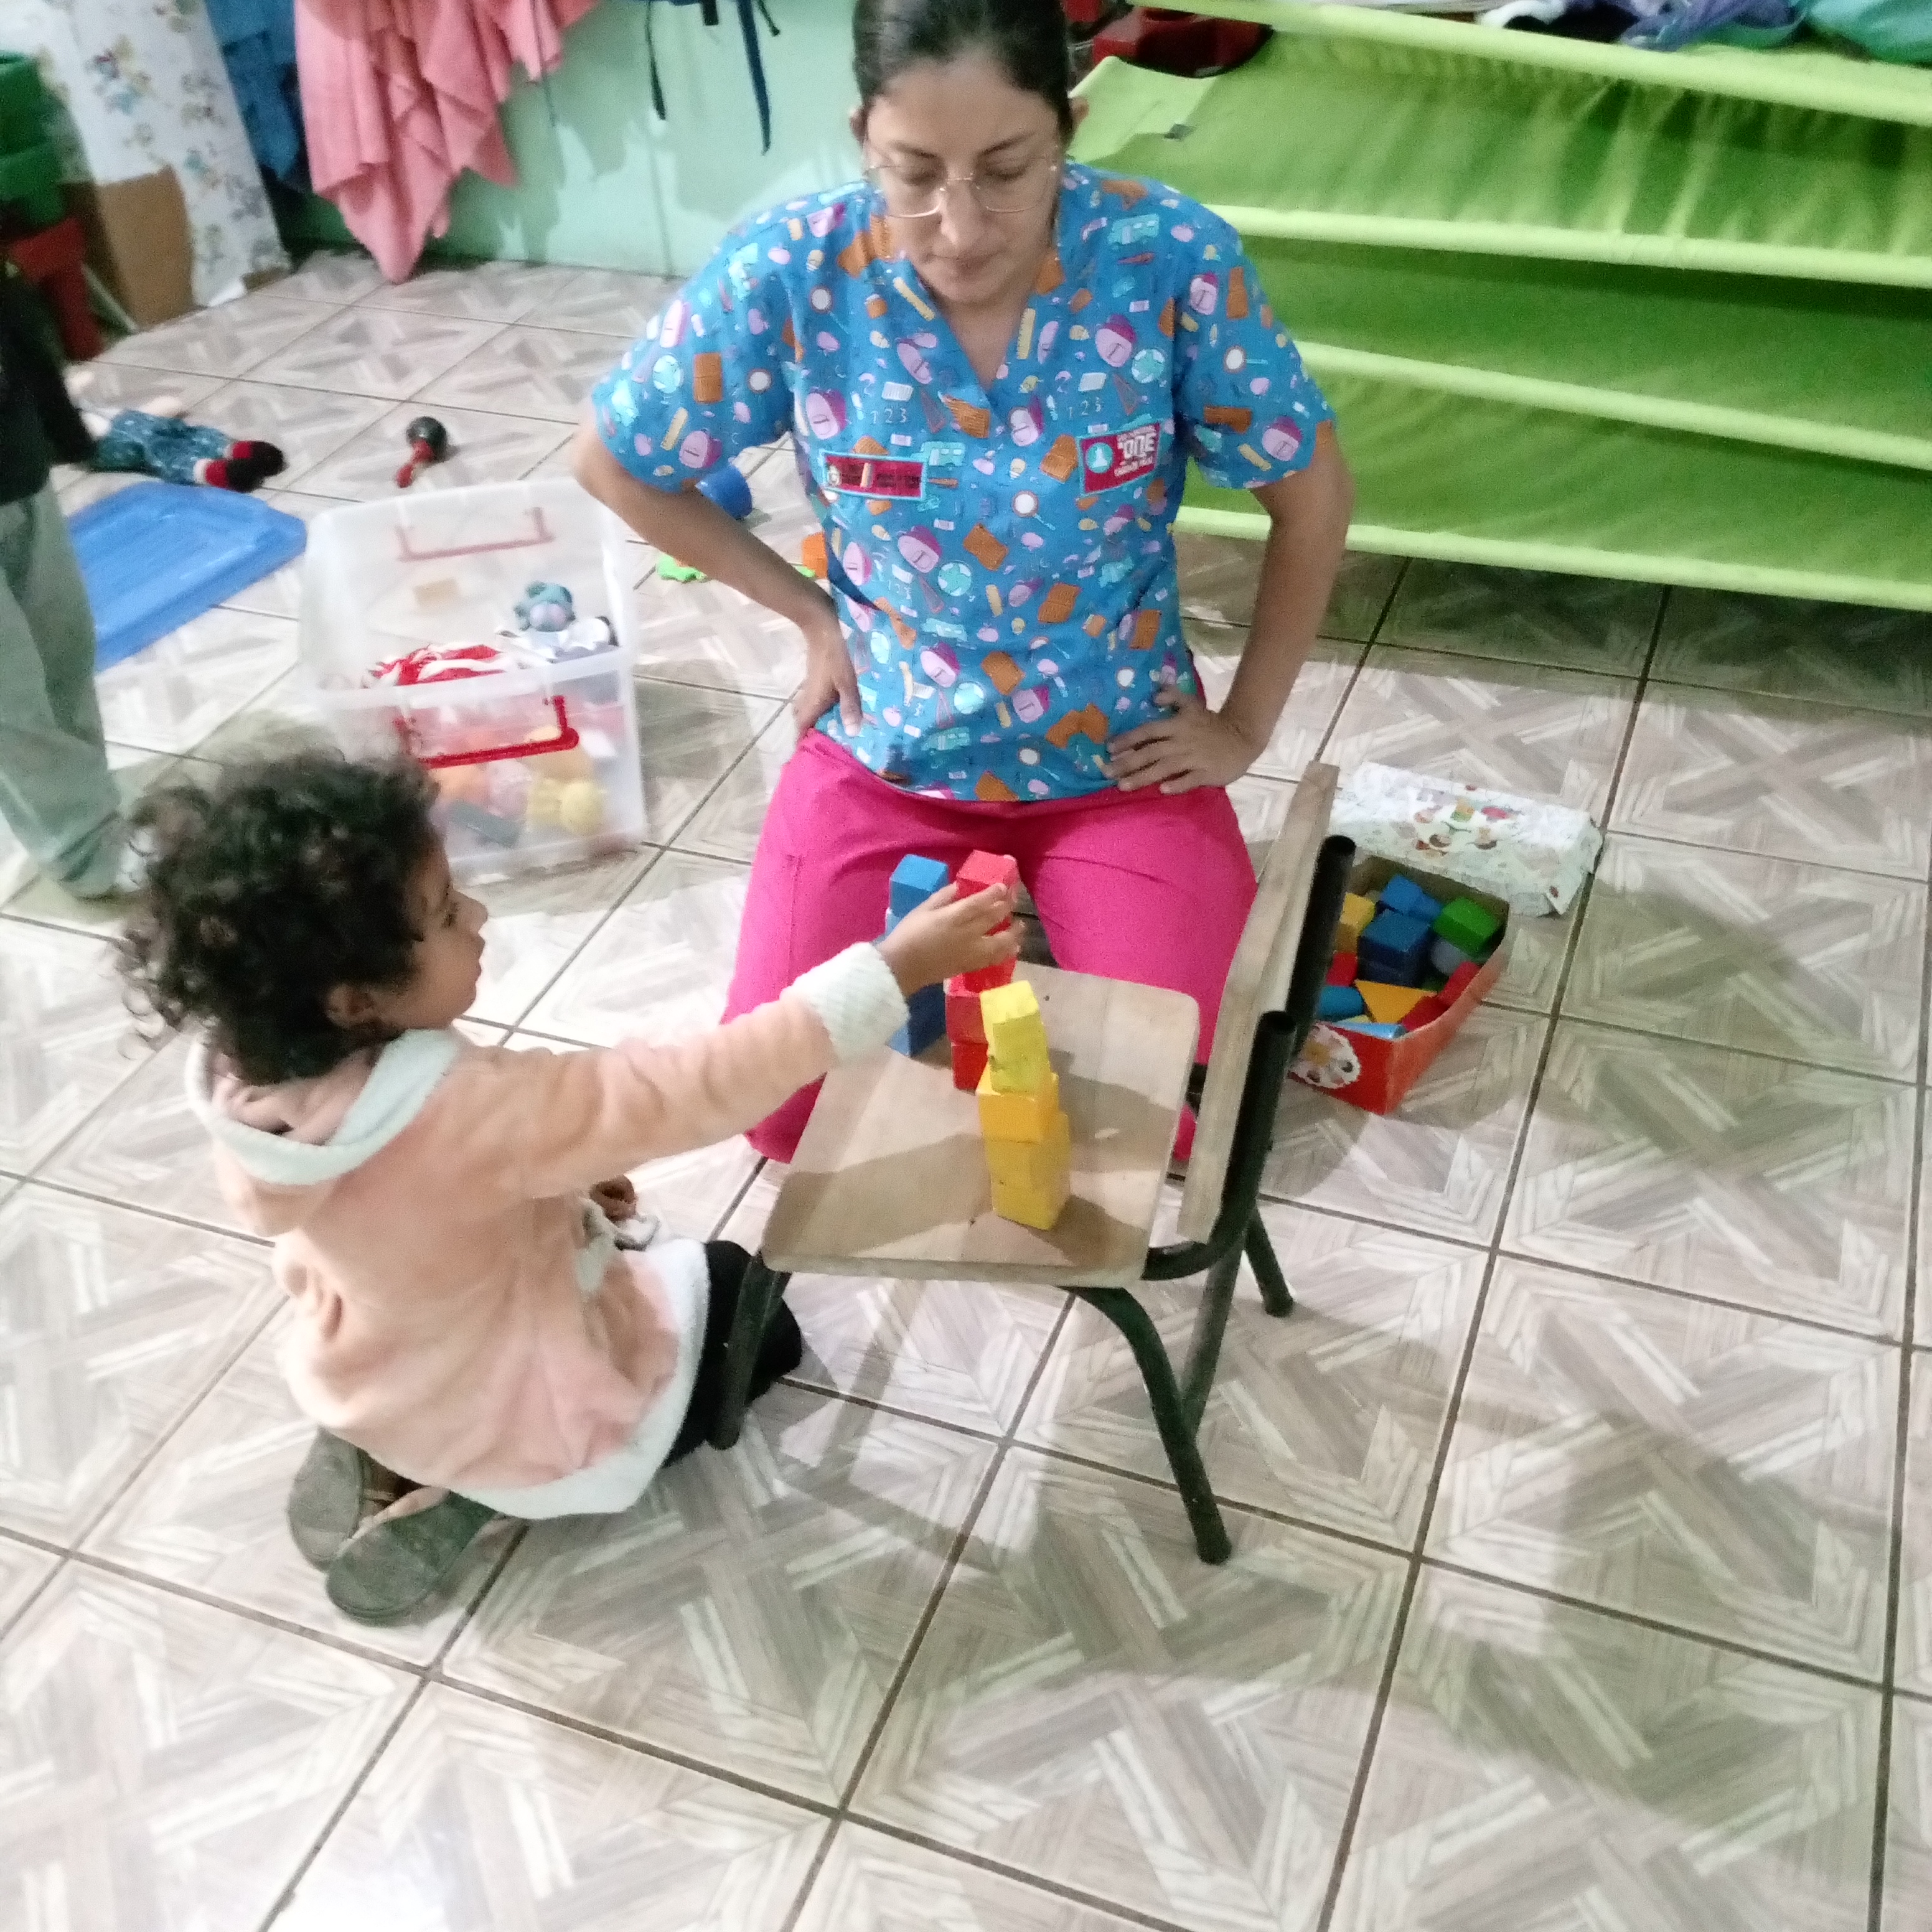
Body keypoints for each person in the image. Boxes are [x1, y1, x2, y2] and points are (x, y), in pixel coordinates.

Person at [574, 0, 1353, 1161]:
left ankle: (1031, 905)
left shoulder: (1165, 256)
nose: (960, 224)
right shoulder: (794, 268)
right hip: (887, 747)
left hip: (1113, 757)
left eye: (1006, 169)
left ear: (1068, 127)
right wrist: (809, 614)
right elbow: (615, 461)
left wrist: (1242, 727)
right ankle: (967, 911)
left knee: (1186, 1119)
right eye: (913, 173)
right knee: (784, 1117)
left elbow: (1312, 492)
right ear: (863, 138)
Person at [118, 751, 1016, 1625]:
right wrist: (889, 971)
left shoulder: (257, 1096)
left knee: (464, 1343)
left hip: (371, 1355)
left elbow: (422, 1199)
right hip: (513, 1398)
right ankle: (488, 1489)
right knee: (753, 1308)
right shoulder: (473, 1107)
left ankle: (376, 1438)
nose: (478, 918)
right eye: (445, 914)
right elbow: (694, 1086)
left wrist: (563, 1180)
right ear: (356, 1002)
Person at [0, 263, 133, 899]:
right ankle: (85, 850)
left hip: (15, 466)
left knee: (62, 644)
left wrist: (67, 433)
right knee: (10, 693)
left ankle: (94, 810)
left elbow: (17, 319)